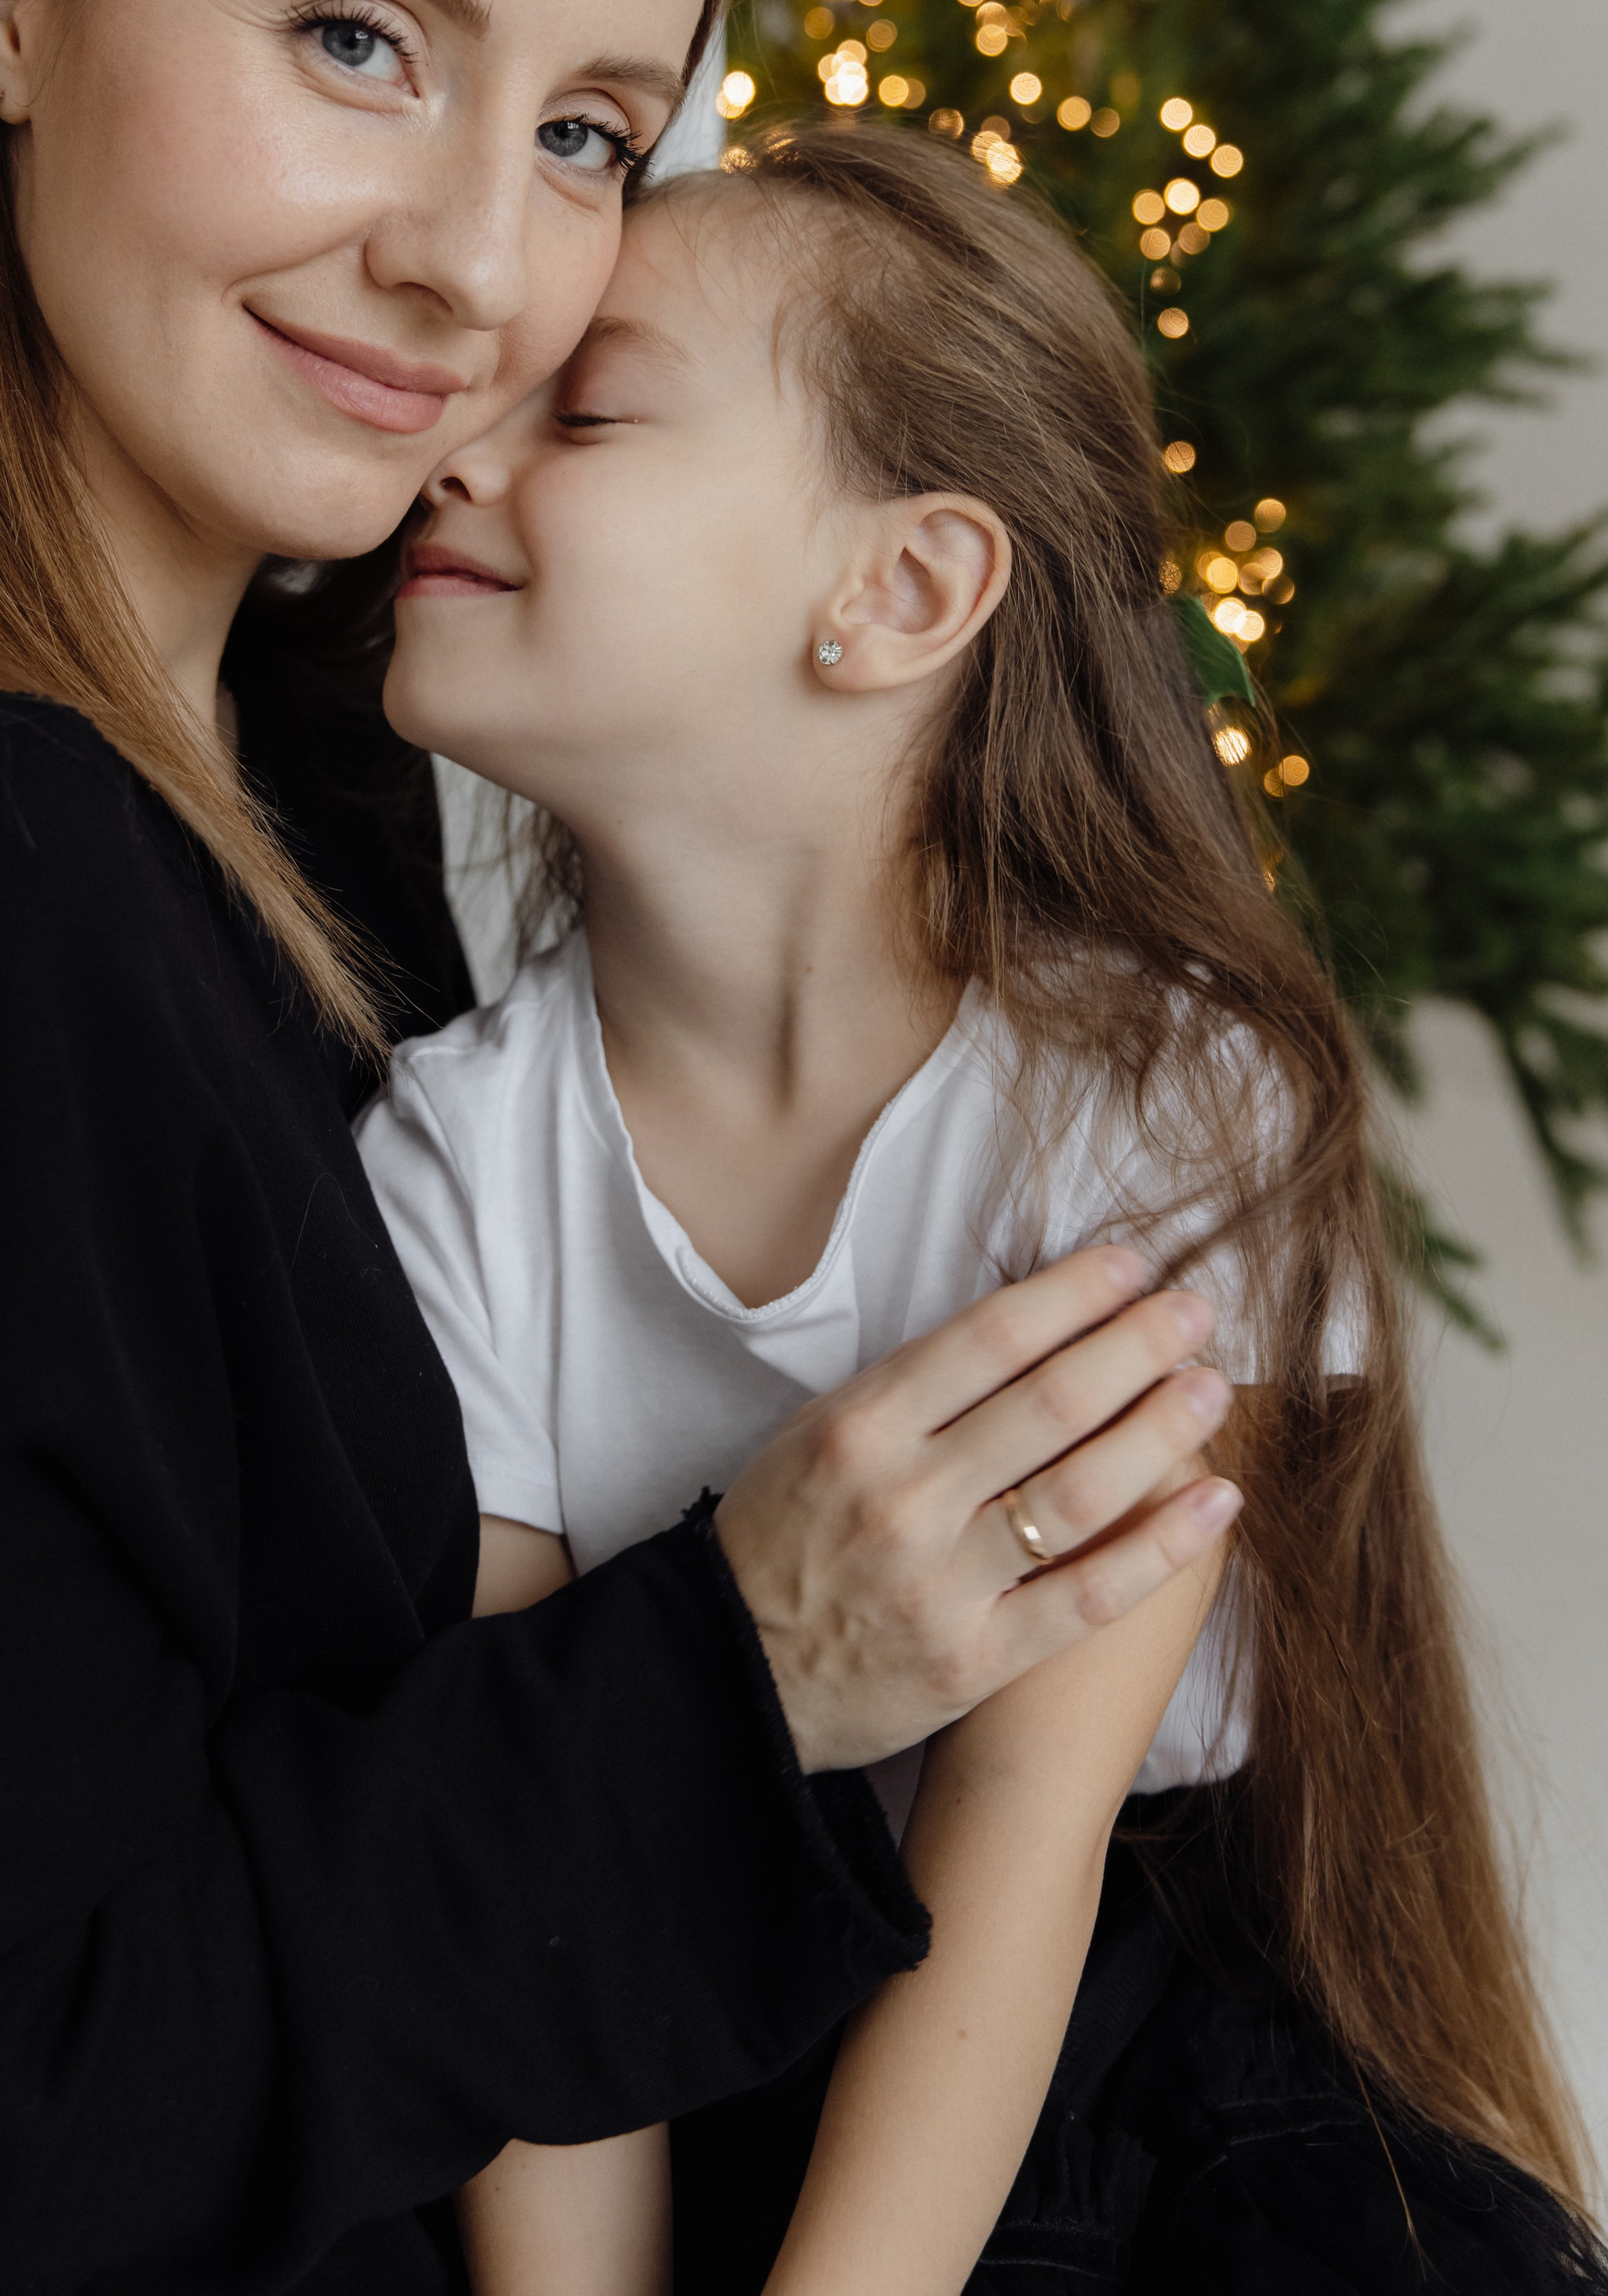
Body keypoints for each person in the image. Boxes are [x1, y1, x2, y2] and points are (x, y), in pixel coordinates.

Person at [0, 0, 1237, 2292]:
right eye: (356, 40)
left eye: (584, 133)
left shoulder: (306, 728)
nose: (472, 264)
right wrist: (739, 1673)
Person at [359, 123, 1606, 2294]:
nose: (452, 449)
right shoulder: (452, 1155)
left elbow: (1022, 1842)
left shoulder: (1152, 1102)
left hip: (1103, 2061)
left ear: (904, 592)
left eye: (588, 409)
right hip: (692, 2021)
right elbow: (556, 1865)